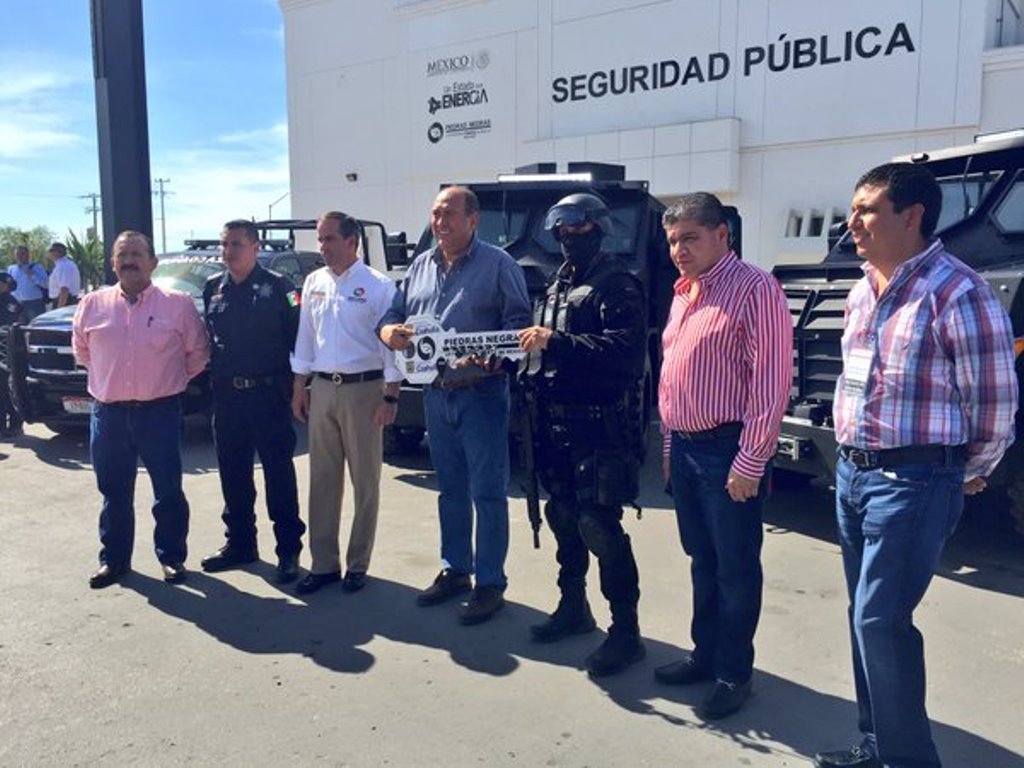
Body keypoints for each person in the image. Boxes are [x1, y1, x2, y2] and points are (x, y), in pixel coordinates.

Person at [814, 163, 1017, 768]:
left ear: (913, 216)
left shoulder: (958, 291)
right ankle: (877, 742)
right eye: (852, 208)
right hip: (853, 474)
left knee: (881, 619)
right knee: (863, 617)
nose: (853, 221)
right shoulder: (860, 290)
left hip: (914, 478)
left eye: (868, 209)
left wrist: (968, 467)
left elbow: (996, 398)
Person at [657, 192, 791, 719]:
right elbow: (673, 379)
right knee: (702, 560)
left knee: (735, 569)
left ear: (721, 235)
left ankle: (735, 672)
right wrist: (669, 448)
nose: (679, 250)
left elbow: (772, 382)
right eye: (672, 241)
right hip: (687, 450)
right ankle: (705, 653)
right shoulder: (684, 292)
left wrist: (750, 461)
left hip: (727, 450)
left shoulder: (755, 289)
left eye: (690, 237)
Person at [379, 185, 531, 624]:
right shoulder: (420, 266)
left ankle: (490, 583)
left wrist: (494, 355)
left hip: (480, 393)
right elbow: (393, 315)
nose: (440, 222)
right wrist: (390, 334)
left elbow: (517, 324)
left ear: (473, 219)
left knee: (487, 491)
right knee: (451, 491)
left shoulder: (499, 265)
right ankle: (455, 569)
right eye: (434, 214)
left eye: (449, 214)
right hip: (435, 393)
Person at [517, 193, 647, 676]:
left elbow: (627, 352)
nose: (567, 235)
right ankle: (574, 606)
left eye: (577, 226)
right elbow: (539, 347)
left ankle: (626, 632)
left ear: (598, 227)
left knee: (599, 526)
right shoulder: (554, 286)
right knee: (562, 516)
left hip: (599, 425)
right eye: (559, 228)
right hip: (552, 421)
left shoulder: (618, 284)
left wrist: (558, 342)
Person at [72, 231, 209, 589]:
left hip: (159, 412)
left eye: (136, 254)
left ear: (153, 262)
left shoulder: (177, 304)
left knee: (168, 490)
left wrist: (167, 380)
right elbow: (83, 352)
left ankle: (172, 557)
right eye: (122, 255)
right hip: (109, 414)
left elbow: (197, 353)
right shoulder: (92, 304)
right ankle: (114, 560)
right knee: (113, 491)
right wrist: (111, 381)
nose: (129, 260)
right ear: (112, 263)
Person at [290, 211, 402, 595]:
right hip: (322, 389)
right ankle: (323, 564)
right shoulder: (314, 282)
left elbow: (392, 349)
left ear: (352, 240)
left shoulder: (379, 286)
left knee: (364, 481)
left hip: (364, 390)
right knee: (322, 480)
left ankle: (358, 563)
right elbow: (306, 339)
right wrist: (298, 388)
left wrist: (391, 395)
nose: (322, 247)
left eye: (330, 239)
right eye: (320, 240)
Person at [199, 220, 306, 584]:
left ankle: (288, 549)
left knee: (278, 475)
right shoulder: (213, 288)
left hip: (268, 395)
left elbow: (298, 342)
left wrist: (298, 390)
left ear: (256, 247)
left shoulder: (281, 288)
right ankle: (240, 544)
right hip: (227, 397)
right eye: (225, 244)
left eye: (237, 244)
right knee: (233, 475)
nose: (229, 252)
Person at [0, 272, 25, 438]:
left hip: (5, 351)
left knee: (7, 388)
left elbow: (9, 326)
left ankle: (14, 424)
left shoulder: (11, 302)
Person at [7, 245, 48, 320]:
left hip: (34, 304)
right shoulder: (11, 269)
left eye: (22, 253)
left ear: (28, 254)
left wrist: (33, 276)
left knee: (36, 327)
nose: (19, 256)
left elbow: (46, 284)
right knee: (18, 328)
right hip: (16, 304)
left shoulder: (37, 267)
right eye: (17, 254)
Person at [47, 242, 81, 309]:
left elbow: (64, 289)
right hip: (67, 300)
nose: (49, 253)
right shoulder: (65, 264)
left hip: (65, 301)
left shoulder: (63, 266)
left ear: (57, 252)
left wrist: (59, 308)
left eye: (51, 251)